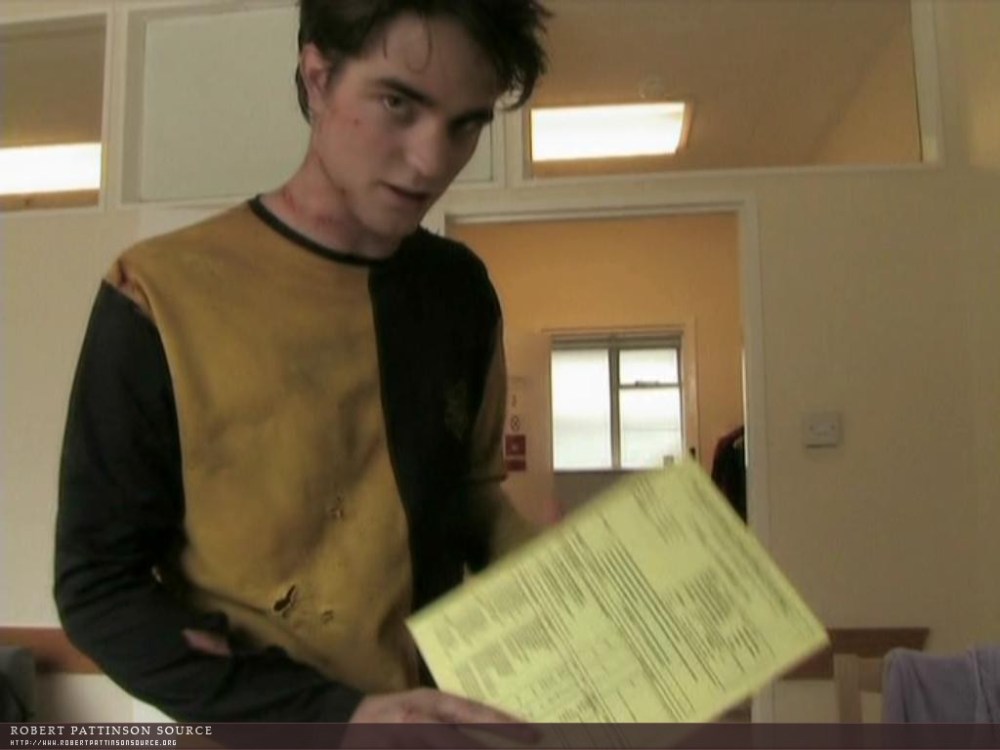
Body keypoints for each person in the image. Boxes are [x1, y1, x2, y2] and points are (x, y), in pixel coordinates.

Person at [54, 0, 550, 725]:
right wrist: (333, 720)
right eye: (398, 104)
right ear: (317, 78)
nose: (431, 161)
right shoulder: (156, 293)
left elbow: (472, 501)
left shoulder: (459, 290)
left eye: (466, 124)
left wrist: (579, 583)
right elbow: (97, 587)